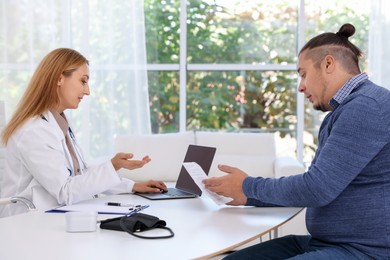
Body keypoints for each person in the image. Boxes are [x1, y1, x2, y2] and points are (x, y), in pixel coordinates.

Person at [203, 23, 390, 260]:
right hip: (326, 242)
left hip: (363, 251)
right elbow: (315, 188)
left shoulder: (366, 107)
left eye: (303, 74)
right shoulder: (346, 110)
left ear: (328, 64)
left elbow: (317, 188)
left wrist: (248, 186)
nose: (301, 87)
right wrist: (248, 196)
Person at [0, 48, 167, 217]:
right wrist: (114, 165)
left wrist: (132, 186)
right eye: (83, 81)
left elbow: (80, 175)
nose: (87, 91)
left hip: (52, 216)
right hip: (24, 223)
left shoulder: (59, 121)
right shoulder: (33, 131)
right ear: (59, 78)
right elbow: (65, 191)